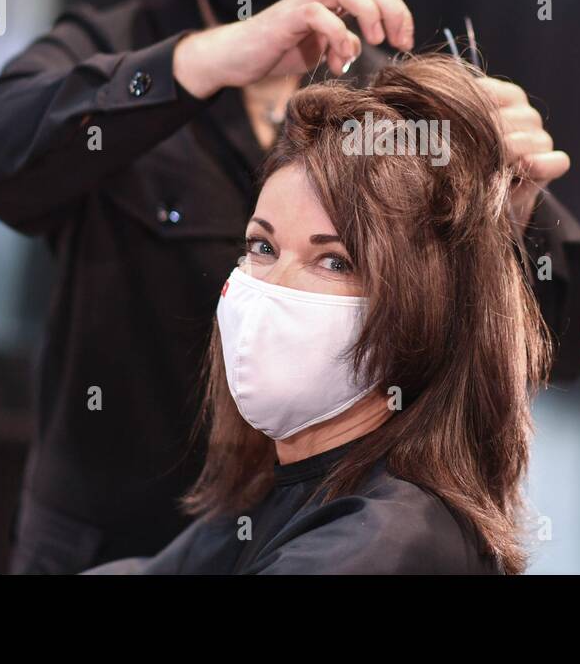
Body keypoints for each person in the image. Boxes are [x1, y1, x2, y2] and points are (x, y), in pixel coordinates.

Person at [0, 0, 580, 574]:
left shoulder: (389, 116)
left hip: (310, 536)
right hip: (111, 542)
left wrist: (510, 221)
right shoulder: (115, 53)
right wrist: (208, 58)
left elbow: (565, 343)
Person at [87, 55, 549, 574]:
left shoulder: (385, 542)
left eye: (334, 261)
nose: (272, 289)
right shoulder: (284, 489)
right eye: (262, 247)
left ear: (424, 306)